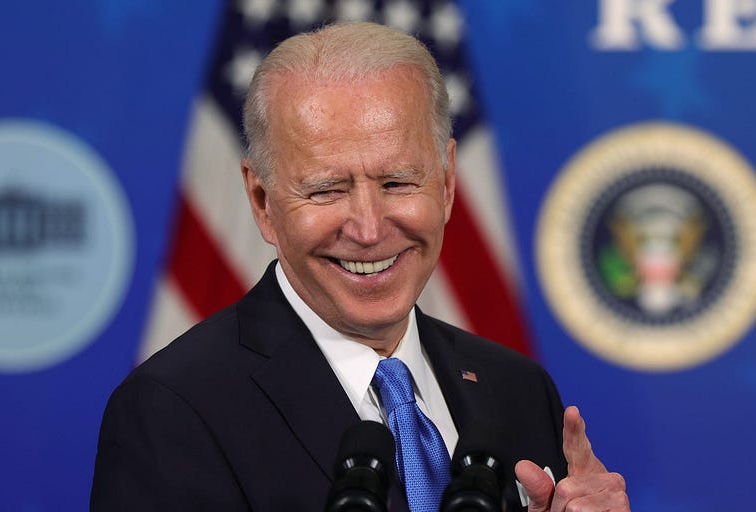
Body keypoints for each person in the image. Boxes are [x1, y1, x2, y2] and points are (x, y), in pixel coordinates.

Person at [91, 21, 629, 512]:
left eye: (397, 183)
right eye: (327, 190)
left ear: (445, 183)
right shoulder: (172, 411)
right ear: (261, 201)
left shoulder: (518, 389)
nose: (369, 230)